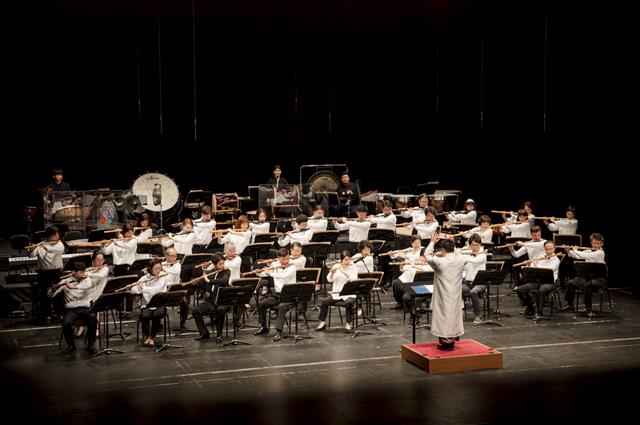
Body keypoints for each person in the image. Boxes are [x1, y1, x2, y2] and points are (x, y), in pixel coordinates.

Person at [424, 234, 471, 351]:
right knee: (453, 315)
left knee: (443, 315)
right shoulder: (461, 259)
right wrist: (452, 244)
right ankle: (452, 339)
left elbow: (426, 255)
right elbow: (457, 254)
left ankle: (445, 341)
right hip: (455, 293)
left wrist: (432, 242)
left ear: (443, 249)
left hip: (443, 294)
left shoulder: (440, 262)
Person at [47, 262, 98, 355]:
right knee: (66, 322)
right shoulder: (65, 281)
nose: (83, 274)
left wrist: (73, 286)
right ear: (74, 272)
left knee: (93, 319)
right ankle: (71, 346)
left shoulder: (87, 280)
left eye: (84, 272)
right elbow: (50, 295)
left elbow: (85, 286)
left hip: (85, 308)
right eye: (81, 272)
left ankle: (91, 344)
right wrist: (56, 287)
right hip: (71, 310)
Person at [253, 248, 297, 341]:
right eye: (283, 259)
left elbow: (284, 276)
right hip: (277, 295)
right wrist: (258, 273)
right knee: (261, 303)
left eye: (287, 259)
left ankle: (278, 332)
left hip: (289, 297)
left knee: (282, 307)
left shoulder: (292, 266)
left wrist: (271, 274)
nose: (285, 261)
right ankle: (263, 326)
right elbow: (264, 274)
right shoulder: (275, 264)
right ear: (278, 258)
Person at [130, 258, 171, 347]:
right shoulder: (144, 278)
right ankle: (147, 336)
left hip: (160, 304)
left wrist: (143, 288)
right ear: (150, 269)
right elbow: (134, 290)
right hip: (147, 304)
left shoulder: (163, 276)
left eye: (160, 268)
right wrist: (134, 287)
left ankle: (152, 337)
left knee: (156, 315)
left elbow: (157, 290)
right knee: (144, 315)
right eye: (156, 268)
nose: (158, 270)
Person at [190, 253, 231, 343]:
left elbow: (224, 281)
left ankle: (219, 334)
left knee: (220, 309)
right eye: (220, 264)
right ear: (214, 264)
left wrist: (209, 281)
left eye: (223, 263)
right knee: (195, 311)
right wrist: (196, 282)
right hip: (211, 301)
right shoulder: (210, 272)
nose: (222, 265)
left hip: (223, 301)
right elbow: (203, 286)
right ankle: (204, 333)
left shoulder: (226, 271)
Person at [28, 226, 65, 324]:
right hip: (44, 273)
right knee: (44, 295)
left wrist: (45, 246)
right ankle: (47, 315)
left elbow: (58, 251)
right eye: (56, 234)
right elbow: (31, 255)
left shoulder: (59, 244)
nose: (58, 235)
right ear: (51, 235)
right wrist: (32, 248)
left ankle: (60, 314)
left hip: (56, 272)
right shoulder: (40, 246)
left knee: (59, 293)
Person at [563, 233, 606, 317]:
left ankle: (588, 310)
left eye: (598, 243)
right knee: (571, 283)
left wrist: (575, 250)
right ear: (591, 243)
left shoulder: (600, 253)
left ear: (602, 244)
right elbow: (576, 255)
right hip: (588, 277)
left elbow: (585, 255)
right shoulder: (588, 250)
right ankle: (570, 305)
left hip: (599, 279)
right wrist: (568, 250)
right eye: (594, 243)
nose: (595, 245)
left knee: (588, 285)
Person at [316, 250, 359, 332]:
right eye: (346, 260)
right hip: (337, 294)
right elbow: (329, 280)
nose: (348, 261)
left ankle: (348, 324)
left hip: (349, 294)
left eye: (349, 259)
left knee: (349, 303)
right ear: (341, 260)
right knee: (325, 302)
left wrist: (343, 271)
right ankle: (322, 322)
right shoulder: (336, 266)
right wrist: (332, 273)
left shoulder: (353, 267)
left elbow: (353, 280)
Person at [459, 234, 488, 325]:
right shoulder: (468, 254)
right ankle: (454, 314)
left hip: (480, 283)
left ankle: (478, 316)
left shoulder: (483, 254)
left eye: (477, 245)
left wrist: (462, 255)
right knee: (455, 290)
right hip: (469, 283)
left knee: (473, 292)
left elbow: (475, 261)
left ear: (480, 245)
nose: (475, 247)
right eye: (472, 245)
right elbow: (462, 267)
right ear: (470, 245)